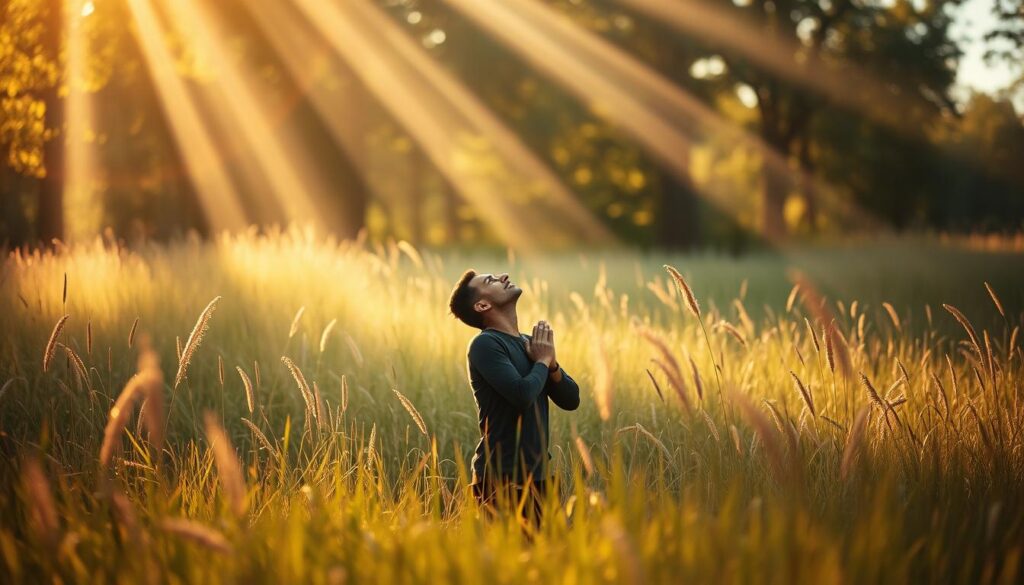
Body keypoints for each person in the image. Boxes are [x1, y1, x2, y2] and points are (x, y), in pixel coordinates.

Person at [446, 269, 581, 531]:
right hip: (500, 479)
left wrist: (551, 365)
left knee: (548, 552)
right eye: (491, 280)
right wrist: (542, 361)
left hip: (539, 476)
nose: (504, 277)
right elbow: (522, 395)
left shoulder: (530, 344)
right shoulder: (485, 345)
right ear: (482, 305)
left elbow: (571, 399)